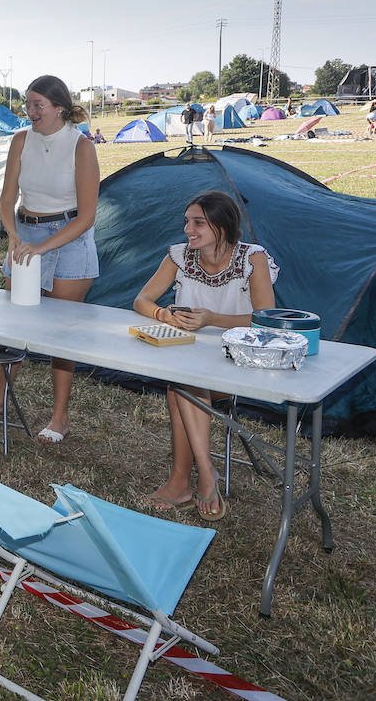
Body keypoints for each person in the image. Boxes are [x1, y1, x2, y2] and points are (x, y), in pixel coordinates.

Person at [131, 191, 279, 521]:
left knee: (180, 385)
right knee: (182, 380)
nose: (188, 229)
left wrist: (212, 319)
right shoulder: (180, 257)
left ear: (222, 226)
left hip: (240, 361)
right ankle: (200, 474)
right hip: (189, 359)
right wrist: (163, 315)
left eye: (198, 222)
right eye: (187, 221)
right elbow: (142, 300)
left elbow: (266, 319)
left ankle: (189, 478)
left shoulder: (252, 259)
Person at [0, 74, 100, 444]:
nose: (30, 112)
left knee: (59, 333)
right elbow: (6, 200)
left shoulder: (80, 146)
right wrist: (15, 237)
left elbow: (87, 217)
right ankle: (0, 398)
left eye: (38, 105)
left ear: (59, 108)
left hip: (69, 238)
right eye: (27, 105)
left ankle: (60, 417)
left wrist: (43, 249)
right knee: (15, 322)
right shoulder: (20, 141)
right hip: (27, 232)